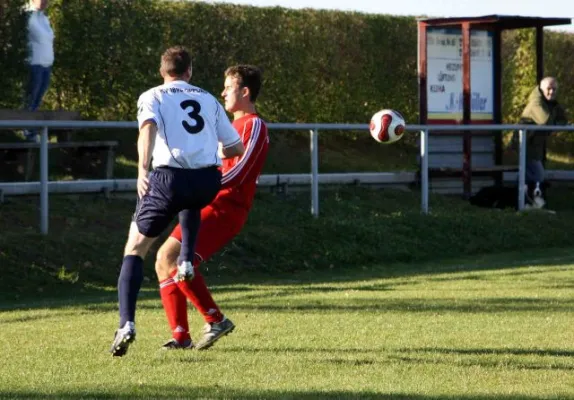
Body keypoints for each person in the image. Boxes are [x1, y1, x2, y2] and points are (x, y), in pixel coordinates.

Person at [109, 46, 245, 357]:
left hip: (169, 179)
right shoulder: (209, 99)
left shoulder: (152, 96)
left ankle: (126, 324)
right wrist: (209, 152)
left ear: (162, 71)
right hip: (207, 181)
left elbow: (148, 131)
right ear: (189, 71)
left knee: (135, 247)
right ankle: (184, 260)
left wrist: (142, 170)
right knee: (191, 198)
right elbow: (235, 147)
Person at [155, 65, 269, 351]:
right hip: (205, 203)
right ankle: (181, 336)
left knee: (174, 259)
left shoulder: (253, 125)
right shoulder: (227, 127)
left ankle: (214, 319)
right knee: (163, 260)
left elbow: (239, 173)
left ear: (244, 91)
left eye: (228, 87)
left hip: (225, 207)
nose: (222, 93)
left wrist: (199, 186)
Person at [514, 76, 568, 186]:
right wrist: (555, 124)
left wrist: (556, 124)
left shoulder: (552, 104)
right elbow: (546, 123)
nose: (551, 91)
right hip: (523, 146)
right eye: (549, 88)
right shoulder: (536, 103)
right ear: (542, 89)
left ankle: (525, 198)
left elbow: (564, 120)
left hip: (534, 148)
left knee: (531, 176)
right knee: (538, 176)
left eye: (554, 89)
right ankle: (522, 197)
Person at [23, 0, 54, 142]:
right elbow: (36, 36)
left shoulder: (44, 18)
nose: (44, 2)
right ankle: (28, 131)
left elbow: (48, 38)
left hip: (47, 64)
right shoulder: (28, 14)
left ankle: (33, 129)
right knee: (31, 98)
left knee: (38, 99)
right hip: (35, 63)